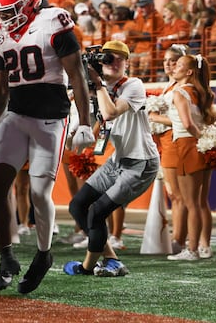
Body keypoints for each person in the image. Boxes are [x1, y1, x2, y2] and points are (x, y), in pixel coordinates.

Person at [0, 0, 94, 294]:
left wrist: (84, 121)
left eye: (11, 9)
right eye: (1, 11)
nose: (5, 17)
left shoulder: (54, 20)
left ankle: (44, 254)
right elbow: (1, 88)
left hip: (50, 119)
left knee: (39, 193)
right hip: (17, 115)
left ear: (30, 1)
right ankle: (6, 256)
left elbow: (77, 75)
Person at [64, 40, 160, 276]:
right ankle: (112, 259)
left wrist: (96, 83)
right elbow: (94, 117)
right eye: (108, 57)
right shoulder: (97, 86)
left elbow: (110, 112)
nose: (113, 62)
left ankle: (86, 267)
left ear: (127, 63)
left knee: (97, 212)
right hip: (119, 159)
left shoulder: (133, 85)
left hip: (141, 162)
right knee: (78, 206)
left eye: (119, 58)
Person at [166, 54, 216, 261]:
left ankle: (192, 249)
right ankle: (199, 247)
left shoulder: (179, 92)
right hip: (200, 148)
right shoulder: (198, 92)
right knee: (200, 201)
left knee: (191, 203)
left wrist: (201, 139)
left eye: (178, 65)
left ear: (189, 72)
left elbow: (187, 124)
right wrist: (207, 143)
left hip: (187, 145)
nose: (173, 68)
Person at [147, 44, 189, 254]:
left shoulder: (182, 87)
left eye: (174, 61)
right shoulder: (170, 86)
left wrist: (154, 118)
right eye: (166, 61)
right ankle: (180, 237)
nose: (169, 65)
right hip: (165, 142)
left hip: (175, 142)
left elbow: (181, 120)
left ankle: (179, 240)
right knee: (175, 194)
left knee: (178, 195)